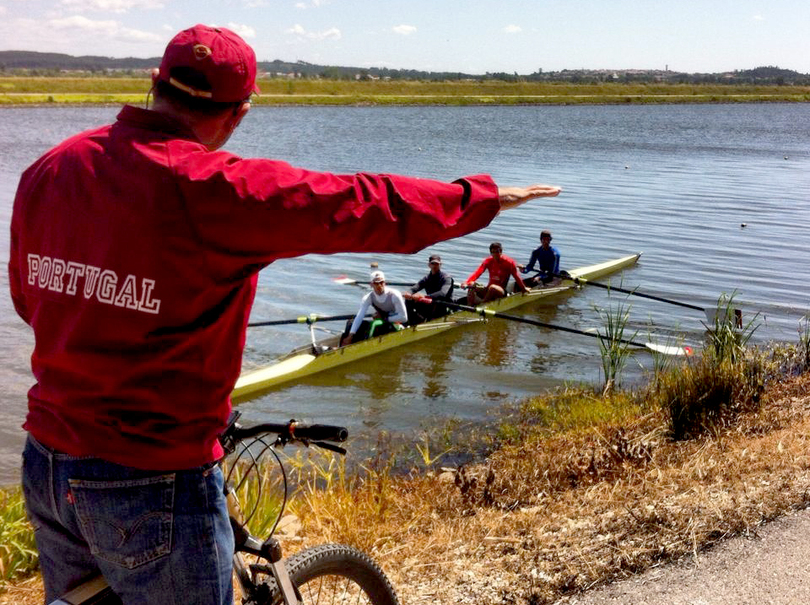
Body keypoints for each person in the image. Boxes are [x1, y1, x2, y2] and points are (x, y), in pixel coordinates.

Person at [7, 24, 561, 605]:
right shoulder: (217, 190)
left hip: (46, 465)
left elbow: (29, 301)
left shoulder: (51, 169)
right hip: (154, 480)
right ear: (241, 112)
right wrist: (478, 198)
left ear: (153, 84)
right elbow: (358, 202)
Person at [340, 271, 407, 345]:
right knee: (351, 323)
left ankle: (360, 346)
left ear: (385, 283)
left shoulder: (394, 295)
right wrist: (351, 335)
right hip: (383, 320)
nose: (379, 285)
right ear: (371, 284)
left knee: (375, 327)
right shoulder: (368, 298)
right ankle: (346, 343)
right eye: (376, 283)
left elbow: (404, 318)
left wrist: (384, 318)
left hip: (397, 323)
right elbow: (359, 317)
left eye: (381, 282)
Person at [462, 242, 527, 304]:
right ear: (491, 253)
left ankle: (483, 304)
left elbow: (516, 276)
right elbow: (477, 273)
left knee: (492, 287)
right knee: (471, 284)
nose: (495, 254)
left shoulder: (509, 262)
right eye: (493, 252)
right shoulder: (488, 261)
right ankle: (469, 306)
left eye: (497, 252)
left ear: (501, 251)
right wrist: (466, 283)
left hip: (501, 291)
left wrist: (523, 288)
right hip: (488, 290)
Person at [402, 254, 454, 323]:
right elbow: (415, 288)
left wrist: (424, 296)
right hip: (431, 302)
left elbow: (442, 293)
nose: (435, 266)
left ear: (440, 265)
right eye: (433, 263)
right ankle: (409, 321)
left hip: (443, 305)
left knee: (421, 302)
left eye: (437, 264)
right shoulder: (427, 278)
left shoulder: (446, 278)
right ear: (429, 265)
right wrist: (409, 293)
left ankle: (418, 320)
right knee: (409, 300)